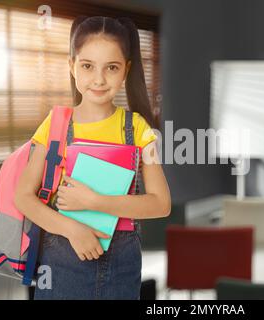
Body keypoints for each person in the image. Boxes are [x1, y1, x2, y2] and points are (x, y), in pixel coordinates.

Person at [14, 16, 171, 300]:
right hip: (61, 264)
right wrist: (73, 229)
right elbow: (24, 197)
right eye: (87, 66)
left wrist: (94, 201)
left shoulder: (137, 129)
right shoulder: (56, 124)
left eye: (111, 67)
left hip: (121, 267)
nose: (99, 79)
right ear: (72, 65)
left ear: (126, 70)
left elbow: (161, 203)